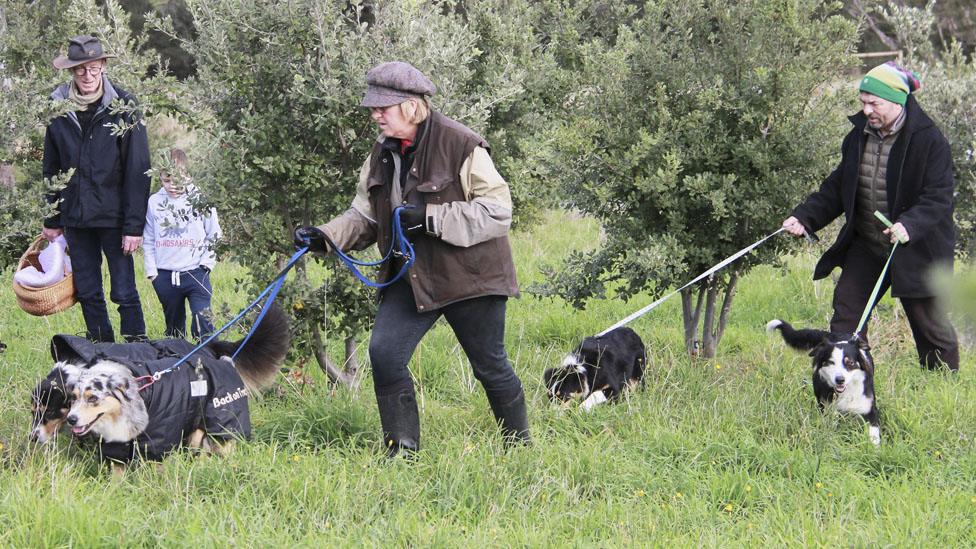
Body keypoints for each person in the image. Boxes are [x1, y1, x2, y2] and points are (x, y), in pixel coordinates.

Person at [294, 61, 528, 455]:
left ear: (410, 106)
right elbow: (365, 215)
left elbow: (498, 212)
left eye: (382, 107)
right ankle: (401, 451)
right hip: (410, 275)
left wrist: (432, 219)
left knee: (488, 365)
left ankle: (519, 446)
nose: (375, 115)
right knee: (384, 353)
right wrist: (326, 237)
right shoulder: (381, 152)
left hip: (470, 277)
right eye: (373, 107)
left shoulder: (462, 143)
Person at [782, 61, 959, 371]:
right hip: (869, 245)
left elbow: (939, 195)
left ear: (896, 100)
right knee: (845, 321)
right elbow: (839, 187)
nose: (866, 110)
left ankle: (945, 386)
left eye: (873, 103)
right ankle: (853, 391)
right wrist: (805, 217)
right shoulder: (857, 137)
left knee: (932, 331)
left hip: (916, 249)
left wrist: (910, 224)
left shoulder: (929, 141)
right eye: (863, 102)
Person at [42, 35, 151, 343]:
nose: (87, 76)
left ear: (103, 66)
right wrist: (52, 218)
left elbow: (138, 170)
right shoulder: (57, 108)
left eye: (93, 68)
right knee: (88, 290)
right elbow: (51, 167)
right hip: (75, 217)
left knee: (123, 291)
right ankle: (101, 351)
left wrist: (133, 226)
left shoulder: (125, 107)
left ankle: (136, 349)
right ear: (71, 72)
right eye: (80, 70)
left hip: (115, 219)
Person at [143, 149, 221, 340]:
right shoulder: (154, 202)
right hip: (165, 276)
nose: (173, 186)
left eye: (178, 179)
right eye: (167, 180)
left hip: (196, 272)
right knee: (174, 328)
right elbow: (149, 238)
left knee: (202, 320)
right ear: (160, 178)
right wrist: (153, 273)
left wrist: (206, 265)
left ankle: (210, 357)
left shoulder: (200, 199)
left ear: (188, 175)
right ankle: (177, 361)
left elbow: (215, 233)